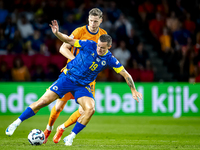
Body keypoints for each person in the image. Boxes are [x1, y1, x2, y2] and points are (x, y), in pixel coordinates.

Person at [6, 20, 143, 147]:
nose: (99, 49)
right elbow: (68, 40)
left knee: (90, 109)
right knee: (43, 102)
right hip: (67, 78)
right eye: (99, 46)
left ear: (109, 46)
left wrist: (133, 90)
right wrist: (57, 33)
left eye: (103, 48)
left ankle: (70, 136)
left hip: (82, 86)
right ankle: (16, 123)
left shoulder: (110, 59)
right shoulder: (90, 45)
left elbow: (125, 73)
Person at [43, 8, 107, 144]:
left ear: (101, 20)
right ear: (88, 20)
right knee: (59, 107)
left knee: (85, 110)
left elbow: (103, 56)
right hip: (71, 75)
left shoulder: (103, 35)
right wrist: (76, 61)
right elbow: (62, 48)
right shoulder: (79, 32)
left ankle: (62, 127)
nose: (93, 24)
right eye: (90, 21)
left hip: (88, 79)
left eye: (96, 21)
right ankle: (48, 129)